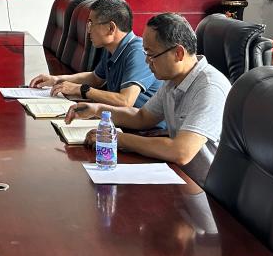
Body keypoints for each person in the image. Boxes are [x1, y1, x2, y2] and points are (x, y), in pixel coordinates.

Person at [64, 12, 231, 184]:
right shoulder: (173, 80)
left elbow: (181, 152)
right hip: (177, 175)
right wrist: (97, 110)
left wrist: (118, 138)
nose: (146, 61)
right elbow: (142, 117)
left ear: (178, 53)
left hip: (203, 189)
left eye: (151, 54)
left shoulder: (209, 87)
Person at [29, 0, 159, 108]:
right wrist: (56, 79)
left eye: (91, 24)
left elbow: (125, 101)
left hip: (144, 127)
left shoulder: (137, 53)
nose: (88, 30)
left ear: (111, 28)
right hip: (119, 119)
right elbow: (95, 78)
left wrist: (81, 89)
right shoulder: (112, 48)